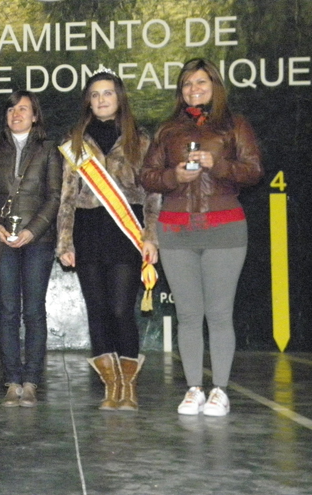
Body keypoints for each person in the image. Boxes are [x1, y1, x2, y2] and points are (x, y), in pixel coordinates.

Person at [140, 58, 263, 416]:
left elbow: (254, 171)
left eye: (201, 83)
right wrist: (174, 176)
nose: (193, 90)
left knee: (219, 314)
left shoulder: (235, 124)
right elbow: (147, 176)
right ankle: (194, 388)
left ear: (215, 87)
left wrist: (218, 165)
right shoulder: (167, 130)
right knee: (189, 315)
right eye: (187, 84)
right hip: (176, 229)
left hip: (224, 228)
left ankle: (220, 391)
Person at [57, 66, 159, 411]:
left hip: (126, 231)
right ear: (88, 101)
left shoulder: (140, 139)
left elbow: (152, 194)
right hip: (88, 230)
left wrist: (151, 236)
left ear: (120, 98)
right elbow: (67, 196)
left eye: (108, 93)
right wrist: (65, 242)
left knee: (120, 309)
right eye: (95, 94)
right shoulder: (75, 141)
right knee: (98, 310)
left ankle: (129, 387)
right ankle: (111, 388)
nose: (101, 100)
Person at [0, 90, 62, 407]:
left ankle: (32, 381)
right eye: (11, 109)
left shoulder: (49, 150)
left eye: (23, 109)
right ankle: (12, 381)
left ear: (35, 116)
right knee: (8, 311)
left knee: (34, 311)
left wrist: (32, 230)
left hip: (38, 240)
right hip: (3, 241)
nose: (16, 114)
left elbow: (55, 196)